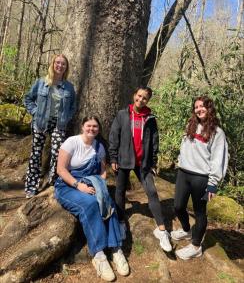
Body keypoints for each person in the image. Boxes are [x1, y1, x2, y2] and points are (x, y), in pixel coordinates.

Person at [55, 116, 129, 282]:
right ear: (82, 126)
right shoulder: (71, 142)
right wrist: (78, 185)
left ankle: (116, 248)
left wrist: (100, 186)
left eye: (95, 126)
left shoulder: (99, 147)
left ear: (98, 129)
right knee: (90, 205)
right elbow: (60, 170)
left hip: (91, 182)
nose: (91, 129)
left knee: (107, 202)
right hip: (67, 185)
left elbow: (103, 171)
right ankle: (99, 254)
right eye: (88, 126)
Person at [109, 86, 172, 252]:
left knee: (151, 192)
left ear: (148, 100)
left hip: (142, 163)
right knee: (120, 191)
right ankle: (121, 222)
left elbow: (154, 142)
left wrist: (152, 162)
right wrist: (113, 157)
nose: (141, 100)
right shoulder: (123, 114)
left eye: (145, 98)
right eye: (139, 96)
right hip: (124, 159)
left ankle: (162, 231)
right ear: (134, 95)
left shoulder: (150, 119)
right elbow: (114, 136)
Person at [171, 96, 228, 260]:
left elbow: (219, 158)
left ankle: (196, 246)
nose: (199, 109)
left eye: (202, 106)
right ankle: (187, 230)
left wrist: (213, 184)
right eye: (196, 107)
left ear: (209, 108)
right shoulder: (191, 125)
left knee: (200, 212)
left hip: (201, 178)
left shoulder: (217, 133)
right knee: (178, 206)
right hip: (183, 173)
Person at [24, 54, 76, 198]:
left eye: (63, 64)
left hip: (59, 124)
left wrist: (67, 118)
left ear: (66, 68)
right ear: (53, 64)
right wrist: (35, 112)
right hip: (41, 122)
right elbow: (28, 98)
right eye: (57, 63)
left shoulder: (69, 87)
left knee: (58, 153)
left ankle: (53, 182)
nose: (60, 66)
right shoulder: (41, 82)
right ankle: (31, 186)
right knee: (36, 153)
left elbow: (73, 106)